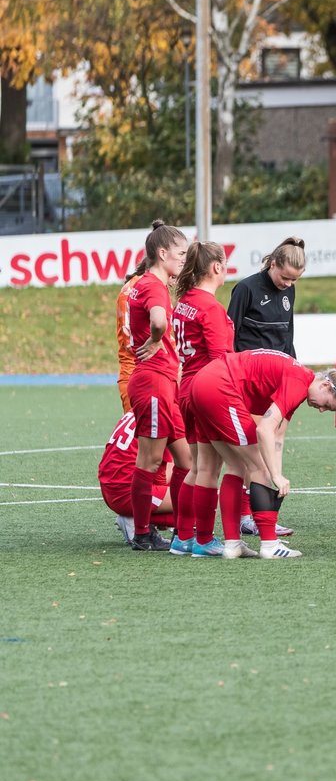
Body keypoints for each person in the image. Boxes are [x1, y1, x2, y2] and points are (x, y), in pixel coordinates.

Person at [189, 349, 336, 559]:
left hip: (202, 382)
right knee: (257, 466)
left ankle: (229, 544)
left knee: (236, 466)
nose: (321, 410)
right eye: (326, 405)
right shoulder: (298, 381)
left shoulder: (300, 381)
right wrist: (274, 475)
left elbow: (277, 437)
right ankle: (269, 545)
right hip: (219, 386)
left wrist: (276, 473)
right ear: (324, 385)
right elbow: (264, 429)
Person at [227, 236, 305, 538]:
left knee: (275, 443)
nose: (287, 283)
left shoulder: (290, 291)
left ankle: (266, 512)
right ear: (272, 263)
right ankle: (249, 515)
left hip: (280, 379)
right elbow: (230, 335)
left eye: (294, 279)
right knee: (257, 446)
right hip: (250, 380)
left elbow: (288, 335)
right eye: (284, 276)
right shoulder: (246, 289)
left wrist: (295, 373)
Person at [125, 219, 191, 552]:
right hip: (152, 381)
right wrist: (155, 339)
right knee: (149, 463)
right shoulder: (153, 285)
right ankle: (140, 532)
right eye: (180, 253)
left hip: (161, 382)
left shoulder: (145, 282)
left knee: (186, 462)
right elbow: (158, 321)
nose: (184, 259)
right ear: (162, 253)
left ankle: (182, 530)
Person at [171, 240, 236, 557]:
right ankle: (204, 539)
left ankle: (183, 537)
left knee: (197, 468)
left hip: (187, 388)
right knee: (210, 469)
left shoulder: (185, 301)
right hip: (207, 391)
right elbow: (219, 359)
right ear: (216, 268)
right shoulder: (210, 307)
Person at [99, 411, 175, 547]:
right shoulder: (163, 414)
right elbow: (163, 477)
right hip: (126, 493)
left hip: (111, 487)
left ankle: (137, 518)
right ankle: (134, 520)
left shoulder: (140, 408)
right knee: (199, 502)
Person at [114, 272, 142, 412]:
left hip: (155, 374)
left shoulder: (159, 289)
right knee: (139, 430)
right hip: (136, 375)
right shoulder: (132, 291)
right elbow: (130, 342)